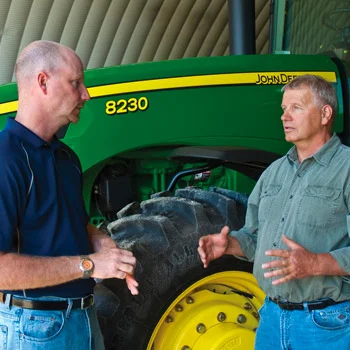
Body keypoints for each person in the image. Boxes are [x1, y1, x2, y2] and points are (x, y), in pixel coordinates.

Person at [0, 40, 139, 349]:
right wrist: (89, 265)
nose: (86, 94)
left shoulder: (67, 159)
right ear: (43, 82)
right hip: (34, 329)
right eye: (76, 83)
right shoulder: (5, 157)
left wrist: (105, 248)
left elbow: (70, 223)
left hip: (84, 318)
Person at [198, 74, 350, 349]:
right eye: (283, 109)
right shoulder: (274, 173)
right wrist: (230, 244)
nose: (284, 116)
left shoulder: (347, 169)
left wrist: (316, 264)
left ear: (325, 114)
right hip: (271, 319)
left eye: (296, 108)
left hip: (327, 325)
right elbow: (258, 242)